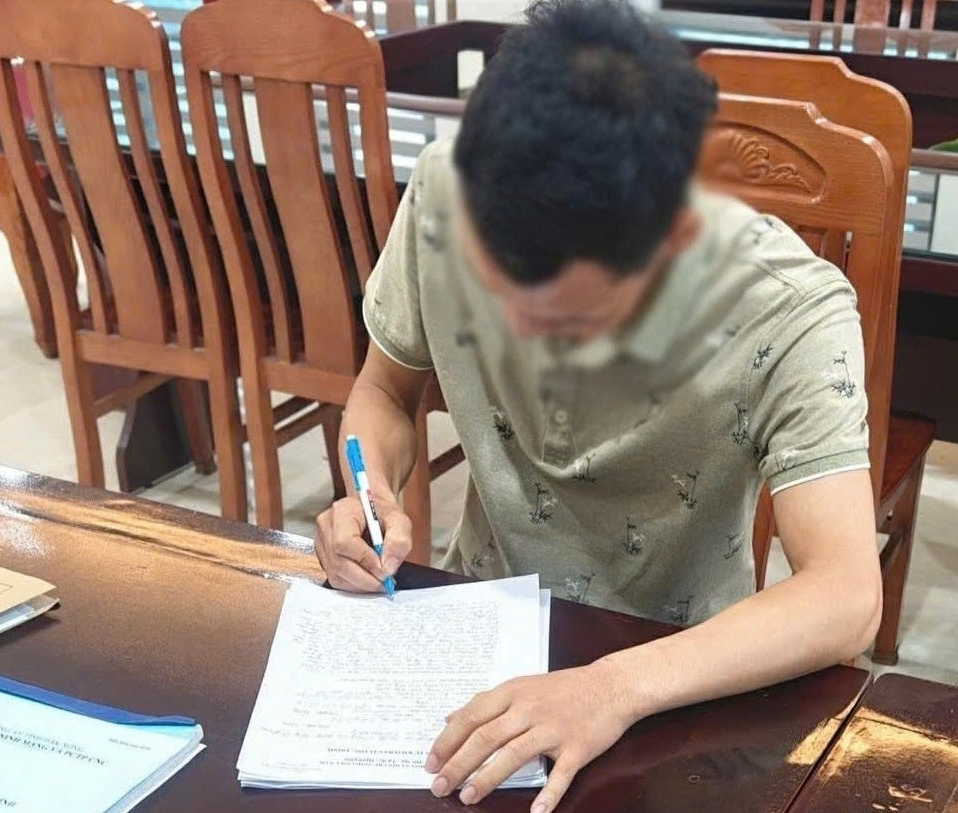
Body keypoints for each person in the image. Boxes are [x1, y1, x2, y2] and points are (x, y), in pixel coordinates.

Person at [314, 0, 881, 809]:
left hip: (680, 676)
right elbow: (384, 391)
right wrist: (367, 495)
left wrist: (611, 686)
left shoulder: (788, 308)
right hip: (478, 635)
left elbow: (846, 594)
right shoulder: (446, 194)